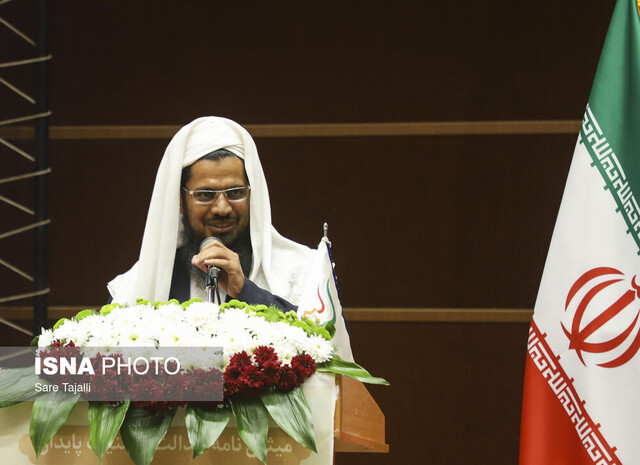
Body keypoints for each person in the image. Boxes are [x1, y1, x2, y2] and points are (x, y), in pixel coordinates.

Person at [107, 117, 316, 308]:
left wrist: (246, 292)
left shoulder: (303, 270)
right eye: (205, 194)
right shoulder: (138, 283)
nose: (222, 209)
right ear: (179, 201)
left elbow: (328, 344)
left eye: (235, 192)